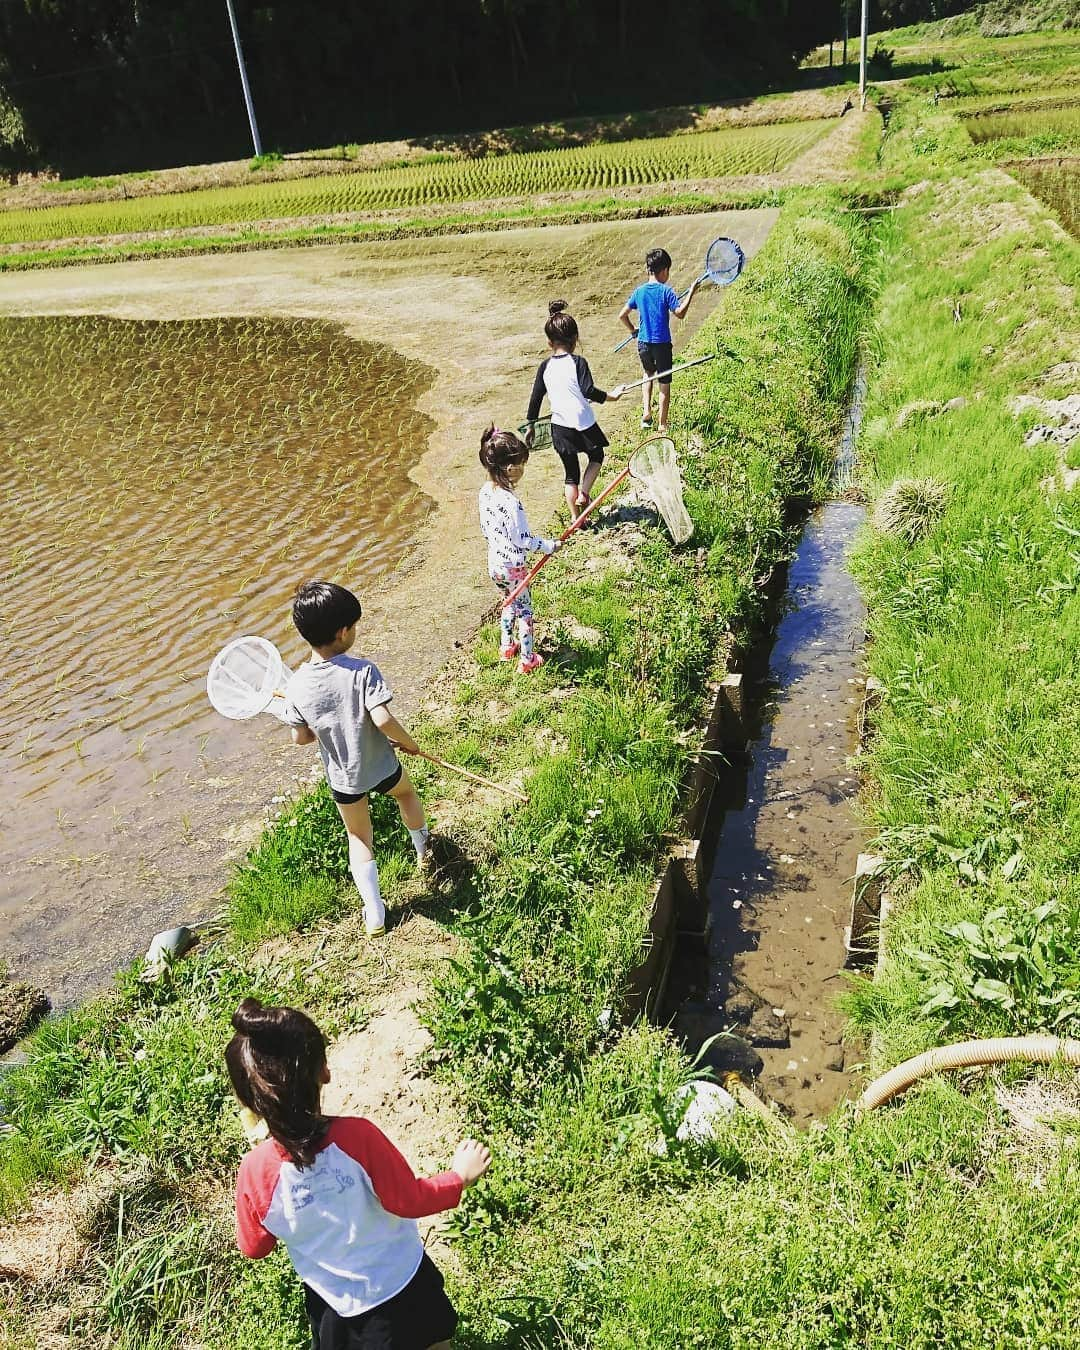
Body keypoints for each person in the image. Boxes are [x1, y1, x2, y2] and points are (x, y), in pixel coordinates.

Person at [227, 998, 492, 1350]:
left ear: (247, 1103)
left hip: (336, 1311)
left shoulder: (255, 1173)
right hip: (404, 1285)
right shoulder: (358, 1138)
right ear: (324, 1071)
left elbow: (254, 1247)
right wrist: (458, 1177)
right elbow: (409, 1200)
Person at [283, 580, 432, 937]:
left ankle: (375, 912)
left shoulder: (297, 685)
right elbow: (381, 719)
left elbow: (300, 738)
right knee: (406, 795)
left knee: (358, 836)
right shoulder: (362, 670)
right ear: (343, 631)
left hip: (343, 779)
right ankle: (424, 852)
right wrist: (408, 743)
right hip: (381, 767)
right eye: (355, 626)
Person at [524, 299, 624, 521]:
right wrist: (612, 397)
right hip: (582, 422)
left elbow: (535, 398)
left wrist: (530, 426)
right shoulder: (578, 362)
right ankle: (585, 493)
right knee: (596, 455)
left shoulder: (545, 367)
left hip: (559, 426)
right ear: (575, 338)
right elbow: (588, 390)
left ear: (549, 343)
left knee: (571, 475)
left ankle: (575, 519)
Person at [478, 424, 559, 674]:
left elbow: (485, 528)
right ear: (510, 468)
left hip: (494, 565)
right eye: (521, 464)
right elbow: (524, 539)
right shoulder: (512, 503)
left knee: (507, 602)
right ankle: (527, 659)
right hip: (513, 568)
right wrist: (549, 546)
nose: (523, 469)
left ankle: (506, 646)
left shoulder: (484, 492)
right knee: (525, 611)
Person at [617, 248, 700, 432]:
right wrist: (691, 292)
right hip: (662, 345)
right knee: (664, 382)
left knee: (648, 374)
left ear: (649, 270)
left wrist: (633, 330)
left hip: (644, 343)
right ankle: (662, 424)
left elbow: (622, 315)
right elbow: (680, 313)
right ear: (664, 270)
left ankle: (646, 412)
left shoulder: (639, 292)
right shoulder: (666, 291)